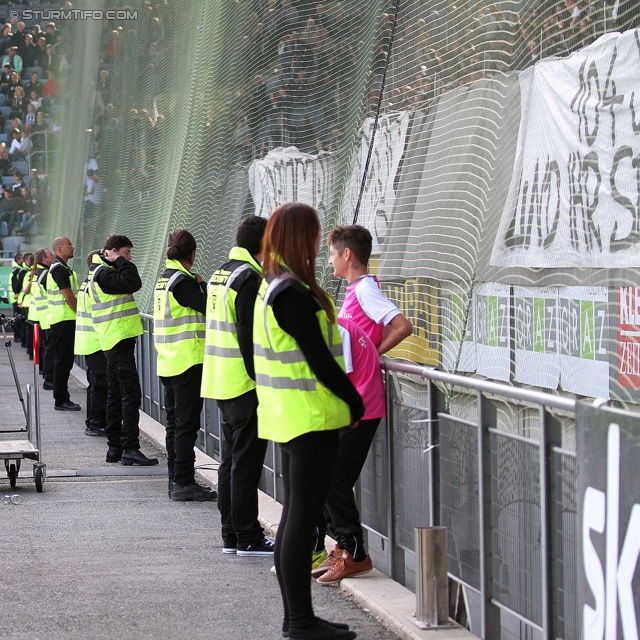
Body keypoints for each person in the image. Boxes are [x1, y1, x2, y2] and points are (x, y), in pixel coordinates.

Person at [254, 202, 362, 640]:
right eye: (315, 235)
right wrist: (354, 401)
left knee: (297, 516)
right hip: (311, 417)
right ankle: (299, 620)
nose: (319, 244)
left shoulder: (273, 287)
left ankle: (298, 619)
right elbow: (320, 360)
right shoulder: (292, 294)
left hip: (290, 415)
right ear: (304, 238)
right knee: (301, 518)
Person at [311, 225, 413, 584]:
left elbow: (402, 325)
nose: (330, 260)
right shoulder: (356, 291)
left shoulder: (366, 289)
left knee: (332, 476)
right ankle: (344, 547)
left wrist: (373, 355)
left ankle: (355, 552)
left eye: (333, 254)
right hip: (353, 399)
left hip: (363, 402)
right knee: (333, 477)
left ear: (347, 255)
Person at [201, 215, 272, 555]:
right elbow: (247, 334)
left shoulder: (221, 273)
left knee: (230, 461)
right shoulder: (249, 278)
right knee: (245, 465)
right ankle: (248, 536)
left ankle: (231, 533)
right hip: (244, 384)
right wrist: (263, 379)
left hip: (219, 379)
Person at [153, 230, 215, 501]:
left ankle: (175, 479)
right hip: (187, 360)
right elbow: (209, 307)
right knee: (186, 425)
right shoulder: (182, 281)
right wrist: (203, 285)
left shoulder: (164, 279)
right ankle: (184, 482)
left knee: (174, 425)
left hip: (168, 359)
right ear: (192, 254)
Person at [89, 234, 158, 466]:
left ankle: (115, 448)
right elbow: (133, 282)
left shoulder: (103, 272)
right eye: (127, 252)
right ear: (114, 251)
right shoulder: (103, 273)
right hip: (116, 339)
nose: (129, 257)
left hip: (116, 339)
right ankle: (130, 447)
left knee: (116, 394)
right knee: (130, 393)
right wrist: (120, 259)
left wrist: (117, 259)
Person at [74, 250, 108, 437]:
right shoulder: (95, 285)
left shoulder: (86, 284)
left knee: (95, 384)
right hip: (95, 341)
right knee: (100, 384)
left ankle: (93, 422)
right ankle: (96, 423)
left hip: (89, 341)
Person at [47, 236, 80, 410]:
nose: (72, 248)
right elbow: (69, 298)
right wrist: (81, 314)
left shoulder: (61, 268)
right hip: (64, 320)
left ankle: (61, 397)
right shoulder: (59, 269)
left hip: (62, 320)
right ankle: (61, 399)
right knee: (63, 361)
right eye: (69, 245)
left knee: (63, 360)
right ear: (59, 249)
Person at [27, 247, 55, 384]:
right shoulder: (45, 273)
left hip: (44, 315)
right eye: (50, 254)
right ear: (44, 258)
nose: (53, 255)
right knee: (50, 348)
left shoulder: (37, 272)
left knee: (47, 347)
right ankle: (49, 378)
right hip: (49, 315)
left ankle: (47, 375)